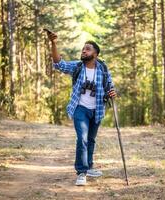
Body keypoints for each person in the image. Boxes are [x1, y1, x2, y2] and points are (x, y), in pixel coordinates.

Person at [47, 31, 117, 186]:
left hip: (97, 109)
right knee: (82, 139)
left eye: (88, 49)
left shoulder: (103, 70)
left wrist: (112, 92)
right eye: (83, 49)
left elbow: (111, 88)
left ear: (96, 54)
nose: (84, 51)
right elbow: (59, 63)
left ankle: (89, 166)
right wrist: (53, 43)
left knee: (91, 140)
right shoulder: (78, 67)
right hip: (80, 108)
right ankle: (81, 172)